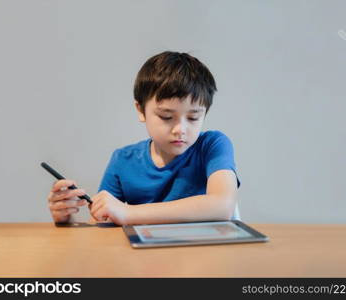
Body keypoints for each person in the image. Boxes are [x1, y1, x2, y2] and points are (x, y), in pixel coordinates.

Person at [47, 51, 241, 225]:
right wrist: (67, 220)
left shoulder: (212, 146)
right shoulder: (123, 161)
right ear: (141, 110)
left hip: (204, 257)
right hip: (146, 262)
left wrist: (129, 213)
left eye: (193, 117)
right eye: (166, 117)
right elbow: (102, 224)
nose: (180, 129)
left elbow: (222, 206)